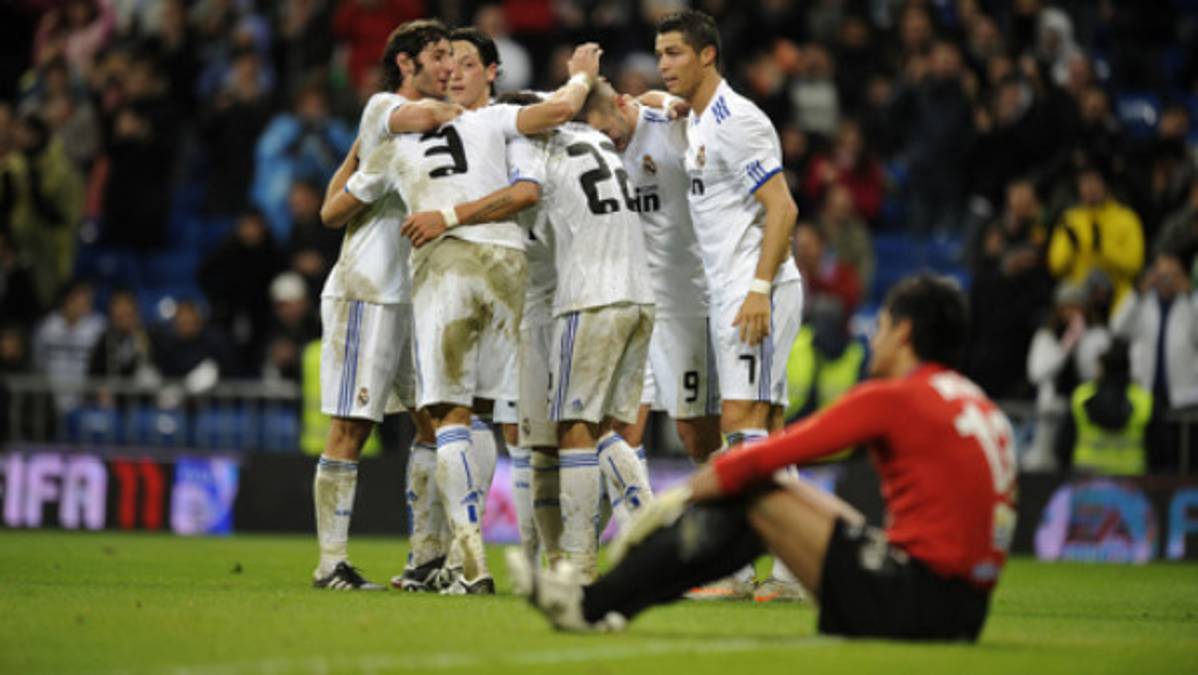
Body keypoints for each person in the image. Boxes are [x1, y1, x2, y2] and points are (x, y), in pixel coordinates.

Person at [509, 274, 1017, 642]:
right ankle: (610, 599)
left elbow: (778, 452)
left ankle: (592, 602)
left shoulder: (895, 397)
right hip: (964, 611)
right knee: (788, 496)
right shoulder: (975, 403)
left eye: (881, 325)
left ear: (905, 333)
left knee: (755, 496)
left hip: (911, 605)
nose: (873, 336)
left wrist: (688, 493)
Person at [323, 39, 610, 592]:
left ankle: (467, 558)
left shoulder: (400, 135)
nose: (451, 73)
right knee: (483, 417)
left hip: (448, 259)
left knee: (450, 416)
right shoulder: (499, 122)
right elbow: (555, 115)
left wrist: (365, 152)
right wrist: (578, 76)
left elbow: (332, 210)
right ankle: (454, 560)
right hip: (508, 265)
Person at [654, 8, 805, 599]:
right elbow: (650, 100)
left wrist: (759, 289)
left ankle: (736, 570)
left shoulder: (738, 121)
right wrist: (663, 104)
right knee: (764, 430)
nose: (664, 64)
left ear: (707, 54)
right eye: (661, 53)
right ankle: (792, 571)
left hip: (753, 292)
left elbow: (784, 208)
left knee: (743, 425)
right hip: (729, 290)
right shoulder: (696, 119)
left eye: (674, 54)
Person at [309, 19, 460, 592]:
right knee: (352, 425)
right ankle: (331, 565)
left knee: (432, 421)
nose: (449, 66)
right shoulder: (385, 107)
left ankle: (424, 558)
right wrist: (479, 108)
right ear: (407, 63)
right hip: (368, 291)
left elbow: (332, 204)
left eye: (453, 56)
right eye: (439, 56)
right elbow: (421, 116)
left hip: (415, 297)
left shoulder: (412, 134)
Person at [579, 80, 722, 466]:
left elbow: (702, 113)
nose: (607, 144)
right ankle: (635, 524)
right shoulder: (594, 149)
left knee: (695, 434)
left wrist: (670, 99)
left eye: (608, 133)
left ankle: (726, 510)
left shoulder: (671, 126)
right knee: (621, 431)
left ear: (622, 105)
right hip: (634, 304)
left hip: (686, 302)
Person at [1111, 253, 1198, 472]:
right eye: (1161, 275)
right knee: (1152, 454)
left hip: (1184, 394)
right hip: (1147, 392)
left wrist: (1190, 294)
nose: (1166, 281)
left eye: (1172, 275)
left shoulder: (1189, 304)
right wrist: (1138, 293)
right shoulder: (1142, 304)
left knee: (1185, 456)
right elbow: (1118, 328)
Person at [1048, 167, 1145, 317]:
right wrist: (1072, 249)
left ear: (1106, 185)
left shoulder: (1126, 218)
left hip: (1118, 298)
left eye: (1094, 181)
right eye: (1085, 182)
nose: (1090, 188)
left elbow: (1134, 265)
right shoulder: (1070, 220)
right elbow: (1055, 266)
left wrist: (1103, 249)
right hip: (1079, 302)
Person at [1056, 339, 1153, 476]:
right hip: (1132, 484)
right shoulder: (1143, 400)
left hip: (1086, 481)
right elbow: (1159, 450)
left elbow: (1062, 447)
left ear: (1101, 367)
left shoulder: (1081, 396)